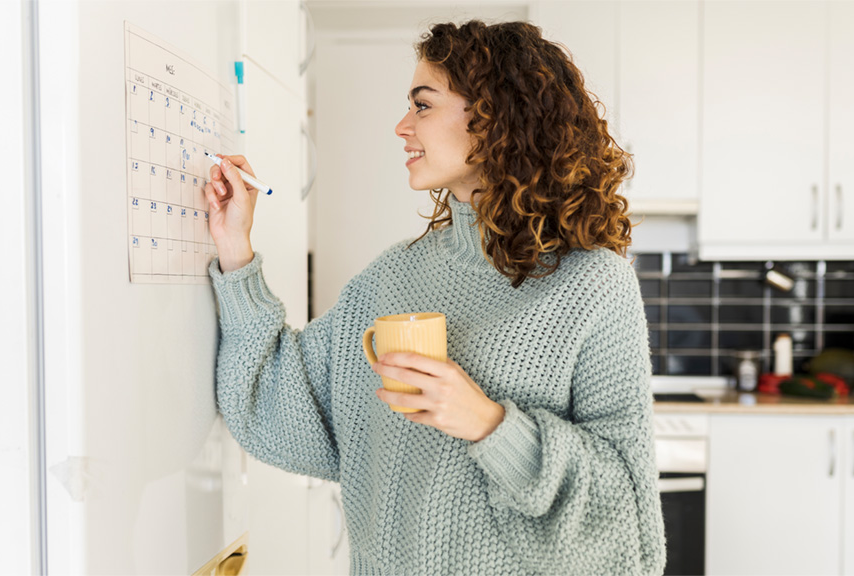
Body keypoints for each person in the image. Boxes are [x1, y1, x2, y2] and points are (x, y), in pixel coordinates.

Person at [204, 20, 665, 576]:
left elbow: (625, 521)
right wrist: (236, 251)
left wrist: (491, 425)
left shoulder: (594, 286)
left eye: (423, 105)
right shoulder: (394, 276)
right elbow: (274, 405)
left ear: (498, 114)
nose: (402, 126)